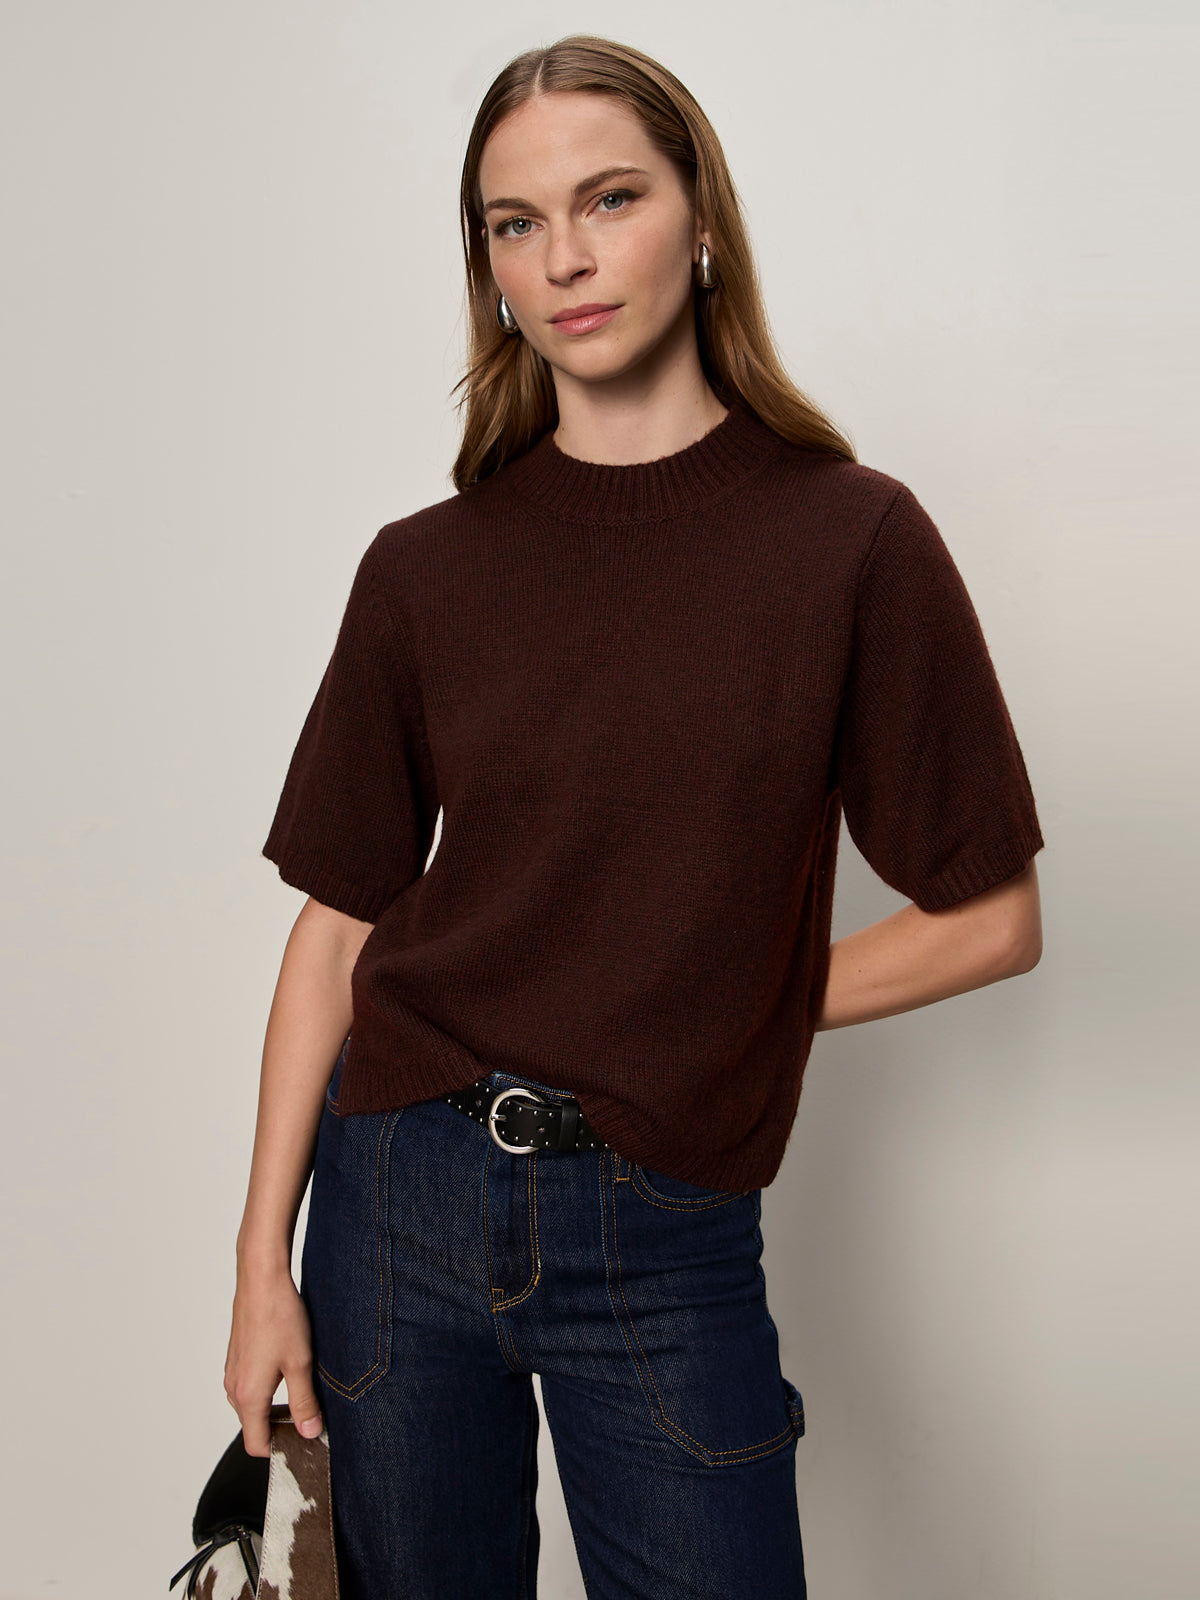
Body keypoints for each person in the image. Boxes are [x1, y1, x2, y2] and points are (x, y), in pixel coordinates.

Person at [223, 32, 1045, 1600]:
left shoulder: (852, 541)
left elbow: (992, 919)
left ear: (704, 218)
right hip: (394, 1198)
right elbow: (338, 925)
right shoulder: (427, 567)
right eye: (515, 223)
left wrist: (725, 1010)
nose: (566, 257)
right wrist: (261, 1264)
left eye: (609, 198)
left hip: (661, 1222)